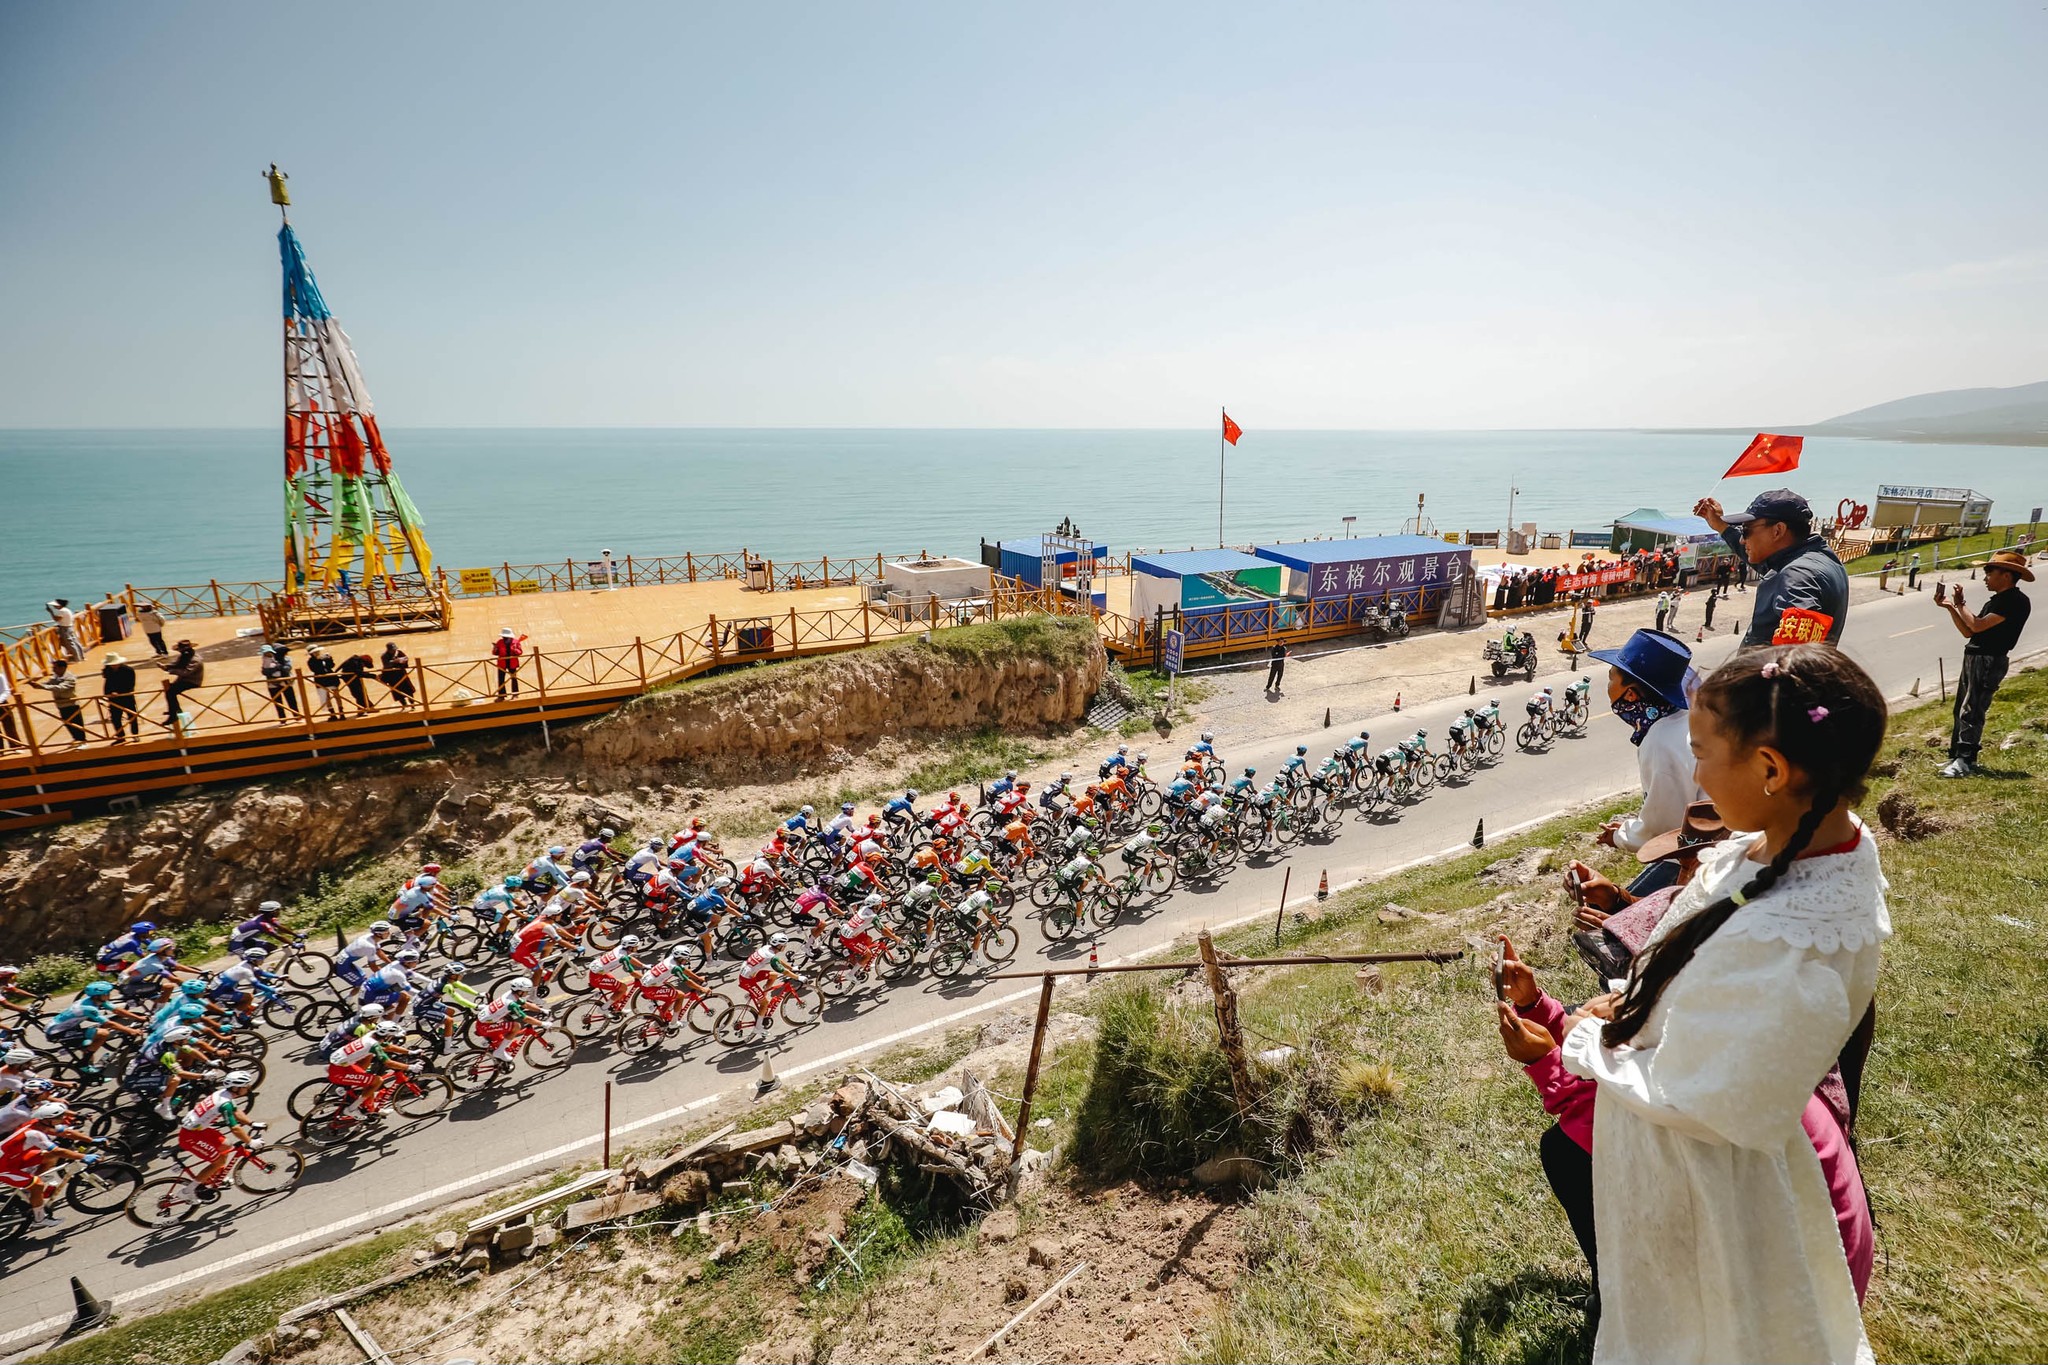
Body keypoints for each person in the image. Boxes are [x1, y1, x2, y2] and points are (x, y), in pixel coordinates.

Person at [1545, 644, 1890, 1363]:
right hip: (1698, 1175)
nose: (1695, 775)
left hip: (1723, 1195)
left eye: (1702, 753)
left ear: (1771, 769)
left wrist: (1583, 1038)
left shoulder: (1790, 939)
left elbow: (1709, 1099)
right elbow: (1706, 982)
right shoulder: (1801, 847)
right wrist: (1626, 1005)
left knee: (1704, 1333)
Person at [1589, 629, 1701, 861]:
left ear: (1630, 694)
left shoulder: (1660, 743)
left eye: (1611, 678)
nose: (1608, 686)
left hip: (1694, 856)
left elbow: (1664, 829)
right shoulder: (1683, 720)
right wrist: (1630, 829)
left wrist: (1620, 837)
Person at [1694, 488, 1849, 648]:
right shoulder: (1816, 557)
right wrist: (1722, 527)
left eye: (1746, 530)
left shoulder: (1796, 575)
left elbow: (1799, 654)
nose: (1742, 540)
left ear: (1777, 531)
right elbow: (1763, 560)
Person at [1937, 549, 2033, 777]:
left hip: (1989, 659)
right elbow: (1969, 631)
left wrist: (1961, 604)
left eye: (1990, 572)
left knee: (1972, 709)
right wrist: (1951, 606)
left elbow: (1977, 625)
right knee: (1961, 708)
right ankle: (1957, 755)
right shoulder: (1997, 601)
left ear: (2006, 575)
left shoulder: (2014, 601)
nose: (1986, 578)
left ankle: (1965, 759)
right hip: (1975, 656)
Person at [31, 657, 88, 742]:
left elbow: (60, 688)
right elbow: (48, 684)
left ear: (62, 668)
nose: (53, 670)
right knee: (67, 723)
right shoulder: (55, 677)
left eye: (55, 668)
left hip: (70, 703)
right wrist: (36, 685)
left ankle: (82, 740)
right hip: (61, 704)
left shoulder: (70, 678)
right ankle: (76, 739)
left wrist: (43, 686)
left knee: (76, 722)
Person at [97, 651, 140, 741]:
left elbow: (130, 685)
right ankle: (120, 736)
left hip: (127, 697)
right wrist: (108, 693)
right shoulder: (108, 671)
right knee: (115, 719)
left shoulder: (128, 670)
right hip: (114, 700)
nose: (113, 666)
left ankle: (135, 735)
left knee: (132, 717)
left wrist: (119, 692)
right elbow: (107, 684)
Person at [163, 639, 204, 729]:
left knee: (171, 692)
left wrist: (170, 670)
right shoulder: (183, 657)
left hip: (193, 681)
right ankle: (175, 709)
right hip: (184, 680)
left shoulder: (195, 660)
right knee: (169, 690)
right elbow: (176, 663)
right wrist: (166, 666)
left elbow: (186, 672)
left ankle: (173, 714)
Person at [258, 645, 299, 722]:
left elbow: (287, 668)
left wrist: (277, 668)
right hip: (273, 685)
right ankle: (283, 719)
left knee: (291, 700)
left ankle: (297, 716)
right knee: (278, 703)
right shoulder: (266, 660)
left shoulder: (286, 659)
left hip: (286, 683)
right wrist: (276, 668)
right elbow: (265, 672)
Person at [307, 644, 343, 719]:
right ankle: (332, 714)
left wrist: (329, 659)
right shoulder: (311, 661)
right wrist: (319, 660)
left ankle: (341, 713)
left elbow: (332, 665)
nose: (317, 653)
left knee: (336, 695)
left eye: (317, 651)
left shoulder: (325, 657)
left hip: (331, 678)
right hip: (321, 680)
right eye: (315, 652)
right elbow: (315, 669)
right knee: (326, 697)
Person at [379, 643, 416, 708]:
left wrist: (403, 661)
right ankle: (404, 704)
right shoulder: (384, 656)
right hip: (392, 676)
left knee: (408, 690)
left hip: (401, 674)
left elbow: (406, 659)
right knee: (397, 691)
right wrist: (395, 661)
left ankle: (412, 704)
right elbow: (386, 665)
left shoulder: (399, 652)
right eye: (392, 650)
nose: (393, 651)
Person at [493, 629, 527, 699]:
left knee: (514, 678)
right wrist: (495, 649)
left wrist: (515, 649)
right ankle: (502, 695)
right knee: (501, 679)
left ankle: (515, 694)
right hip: (502, 663)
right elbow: (495, 653)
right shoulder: (500, 642)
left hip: (512, 663)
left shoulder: (516, 642)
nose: (504, 637)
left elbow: (520, 652)